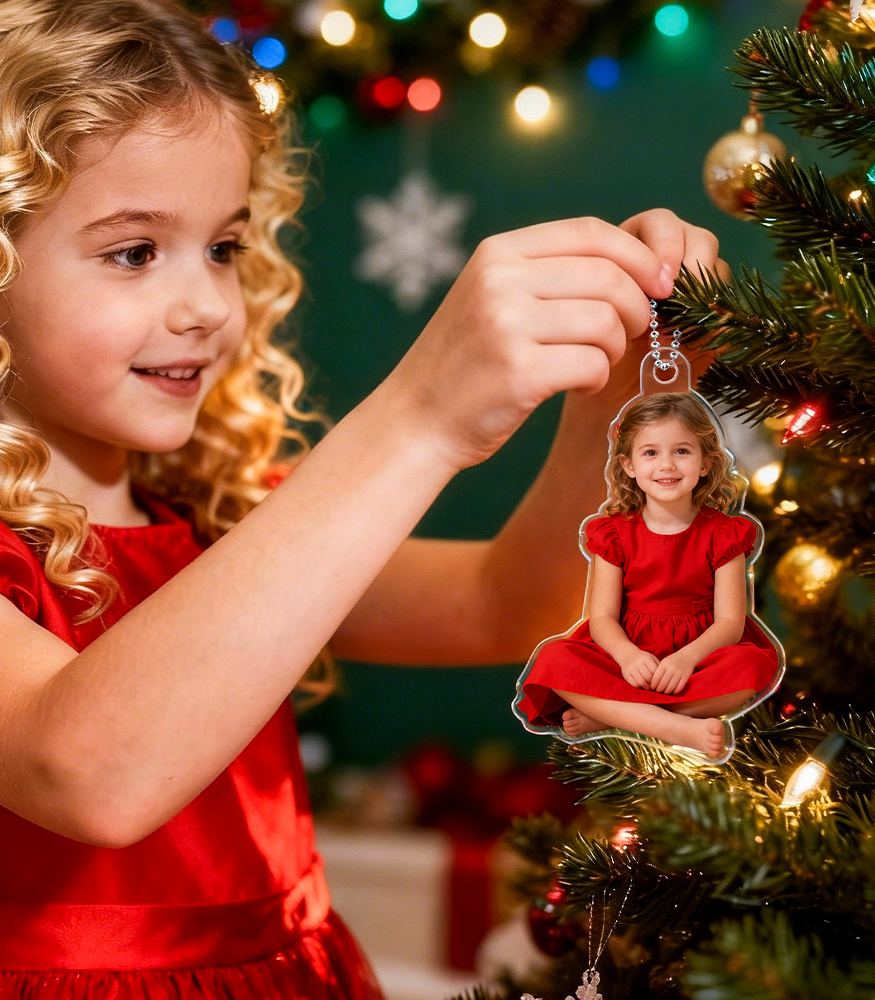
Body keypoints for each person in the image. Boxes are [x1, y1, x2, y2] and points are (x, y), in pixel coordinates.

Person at [0, 0, 728, 996]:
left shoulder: (223, 518)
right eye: (134, 251)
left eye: (223, 247)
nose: (210, 305)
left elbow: (507, 601)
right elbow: (87, 772)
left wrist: (617, 408)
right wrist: (419, 416)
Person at [517, 392, 779, 758]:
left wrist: (686, 659)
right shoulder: (611, 532)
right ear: (628, 465)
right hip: (628, 651)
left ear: (705, 463)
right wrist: (626, 656)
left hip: (699, 656)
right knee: (554, 660)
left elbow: (731, 623)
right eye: (651, 453)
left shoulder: (725, 533)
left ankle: (612, 716)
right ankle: (675, 727)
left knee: (750, 666)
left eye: (682, 451)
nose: (666, 465)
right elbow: (603, 618)